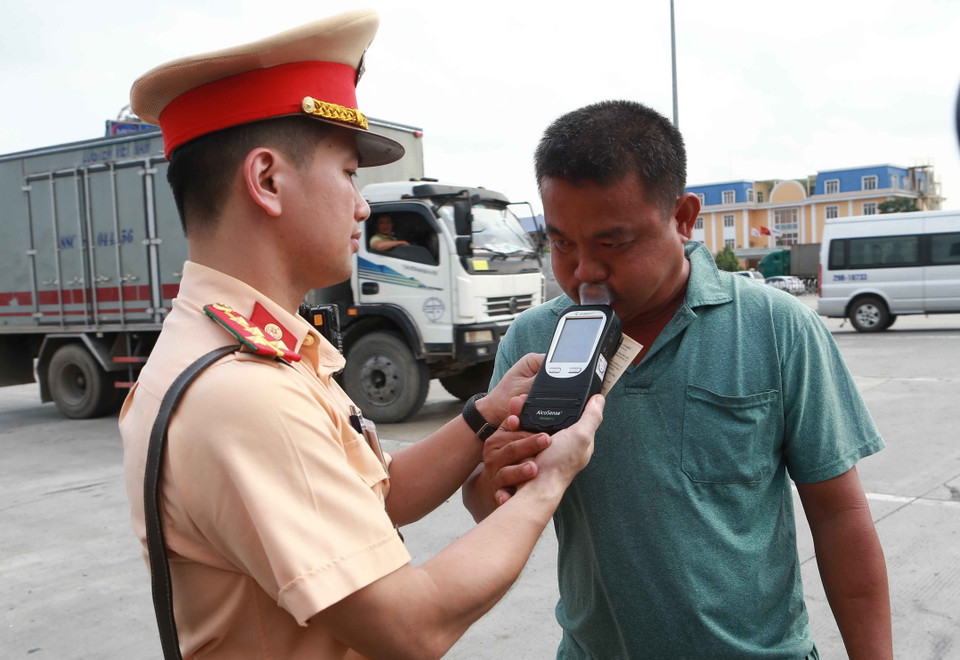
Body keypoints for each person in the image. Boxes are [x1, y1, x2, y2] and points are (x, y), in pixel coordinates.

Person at [119, 11, 602, 659]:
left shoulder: (230, 350)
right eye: (348, 173)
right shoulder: (241, 394)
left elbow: (379, 498)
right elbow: (413, 626)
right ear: (266, 181)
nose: (363, 205)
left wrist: (486, 416)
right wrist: (553, 477)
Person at [467, 100, 892, 659]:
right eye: (562, 243)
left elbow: (839, 514)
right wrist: (495, 475)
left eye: (612, 243)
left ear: (684, 217)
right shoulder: (532, 342)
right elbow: (486, 500)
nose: (583, 271)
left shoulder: (776, 326)